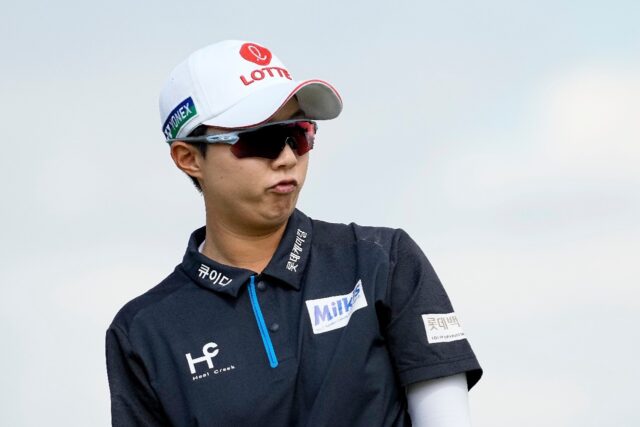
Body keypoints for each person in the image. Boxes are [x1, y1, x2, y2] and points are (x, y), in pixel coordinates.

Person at [105, 39, 483, 427]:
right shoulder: (142, 331)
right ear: (189, 158)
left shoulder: (381, 260)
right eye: (260, 139)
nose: (287, 158)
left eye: (298, 134)